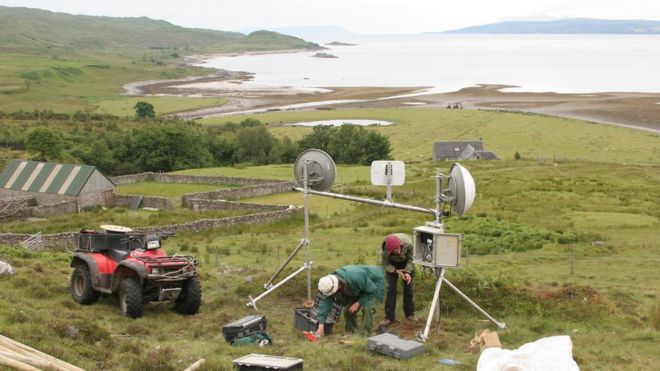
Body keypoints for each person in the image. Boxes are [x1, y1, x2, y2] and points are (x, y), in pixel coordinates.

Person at [316, 265, 385, 336]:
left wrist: (358, 303)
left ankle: (364, 335)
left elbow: (372, 290)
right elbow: (325, 303)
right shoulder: (329, 284)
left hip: (374, 283)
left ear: (338, 285)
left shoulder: (355, 277)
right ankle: (352, 332)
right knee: (348, 310)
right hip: (357, 287)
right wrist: (321, 324)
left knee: (367, 308)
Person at [379, 233, 417, 326]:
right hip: (392, 265)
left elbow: (411, 260)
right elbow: (384, 264)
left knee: (409, 289)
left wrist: (407, 272)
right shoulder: (385, 249)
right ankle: (389, 317)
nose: (395, 252)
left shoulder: (408, 244)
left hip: (406, 263)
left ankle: (410, 314)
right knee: (391, 289)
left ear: (399, 246)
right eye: (392, 251)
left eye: (396, 250)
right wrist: (395, 271)